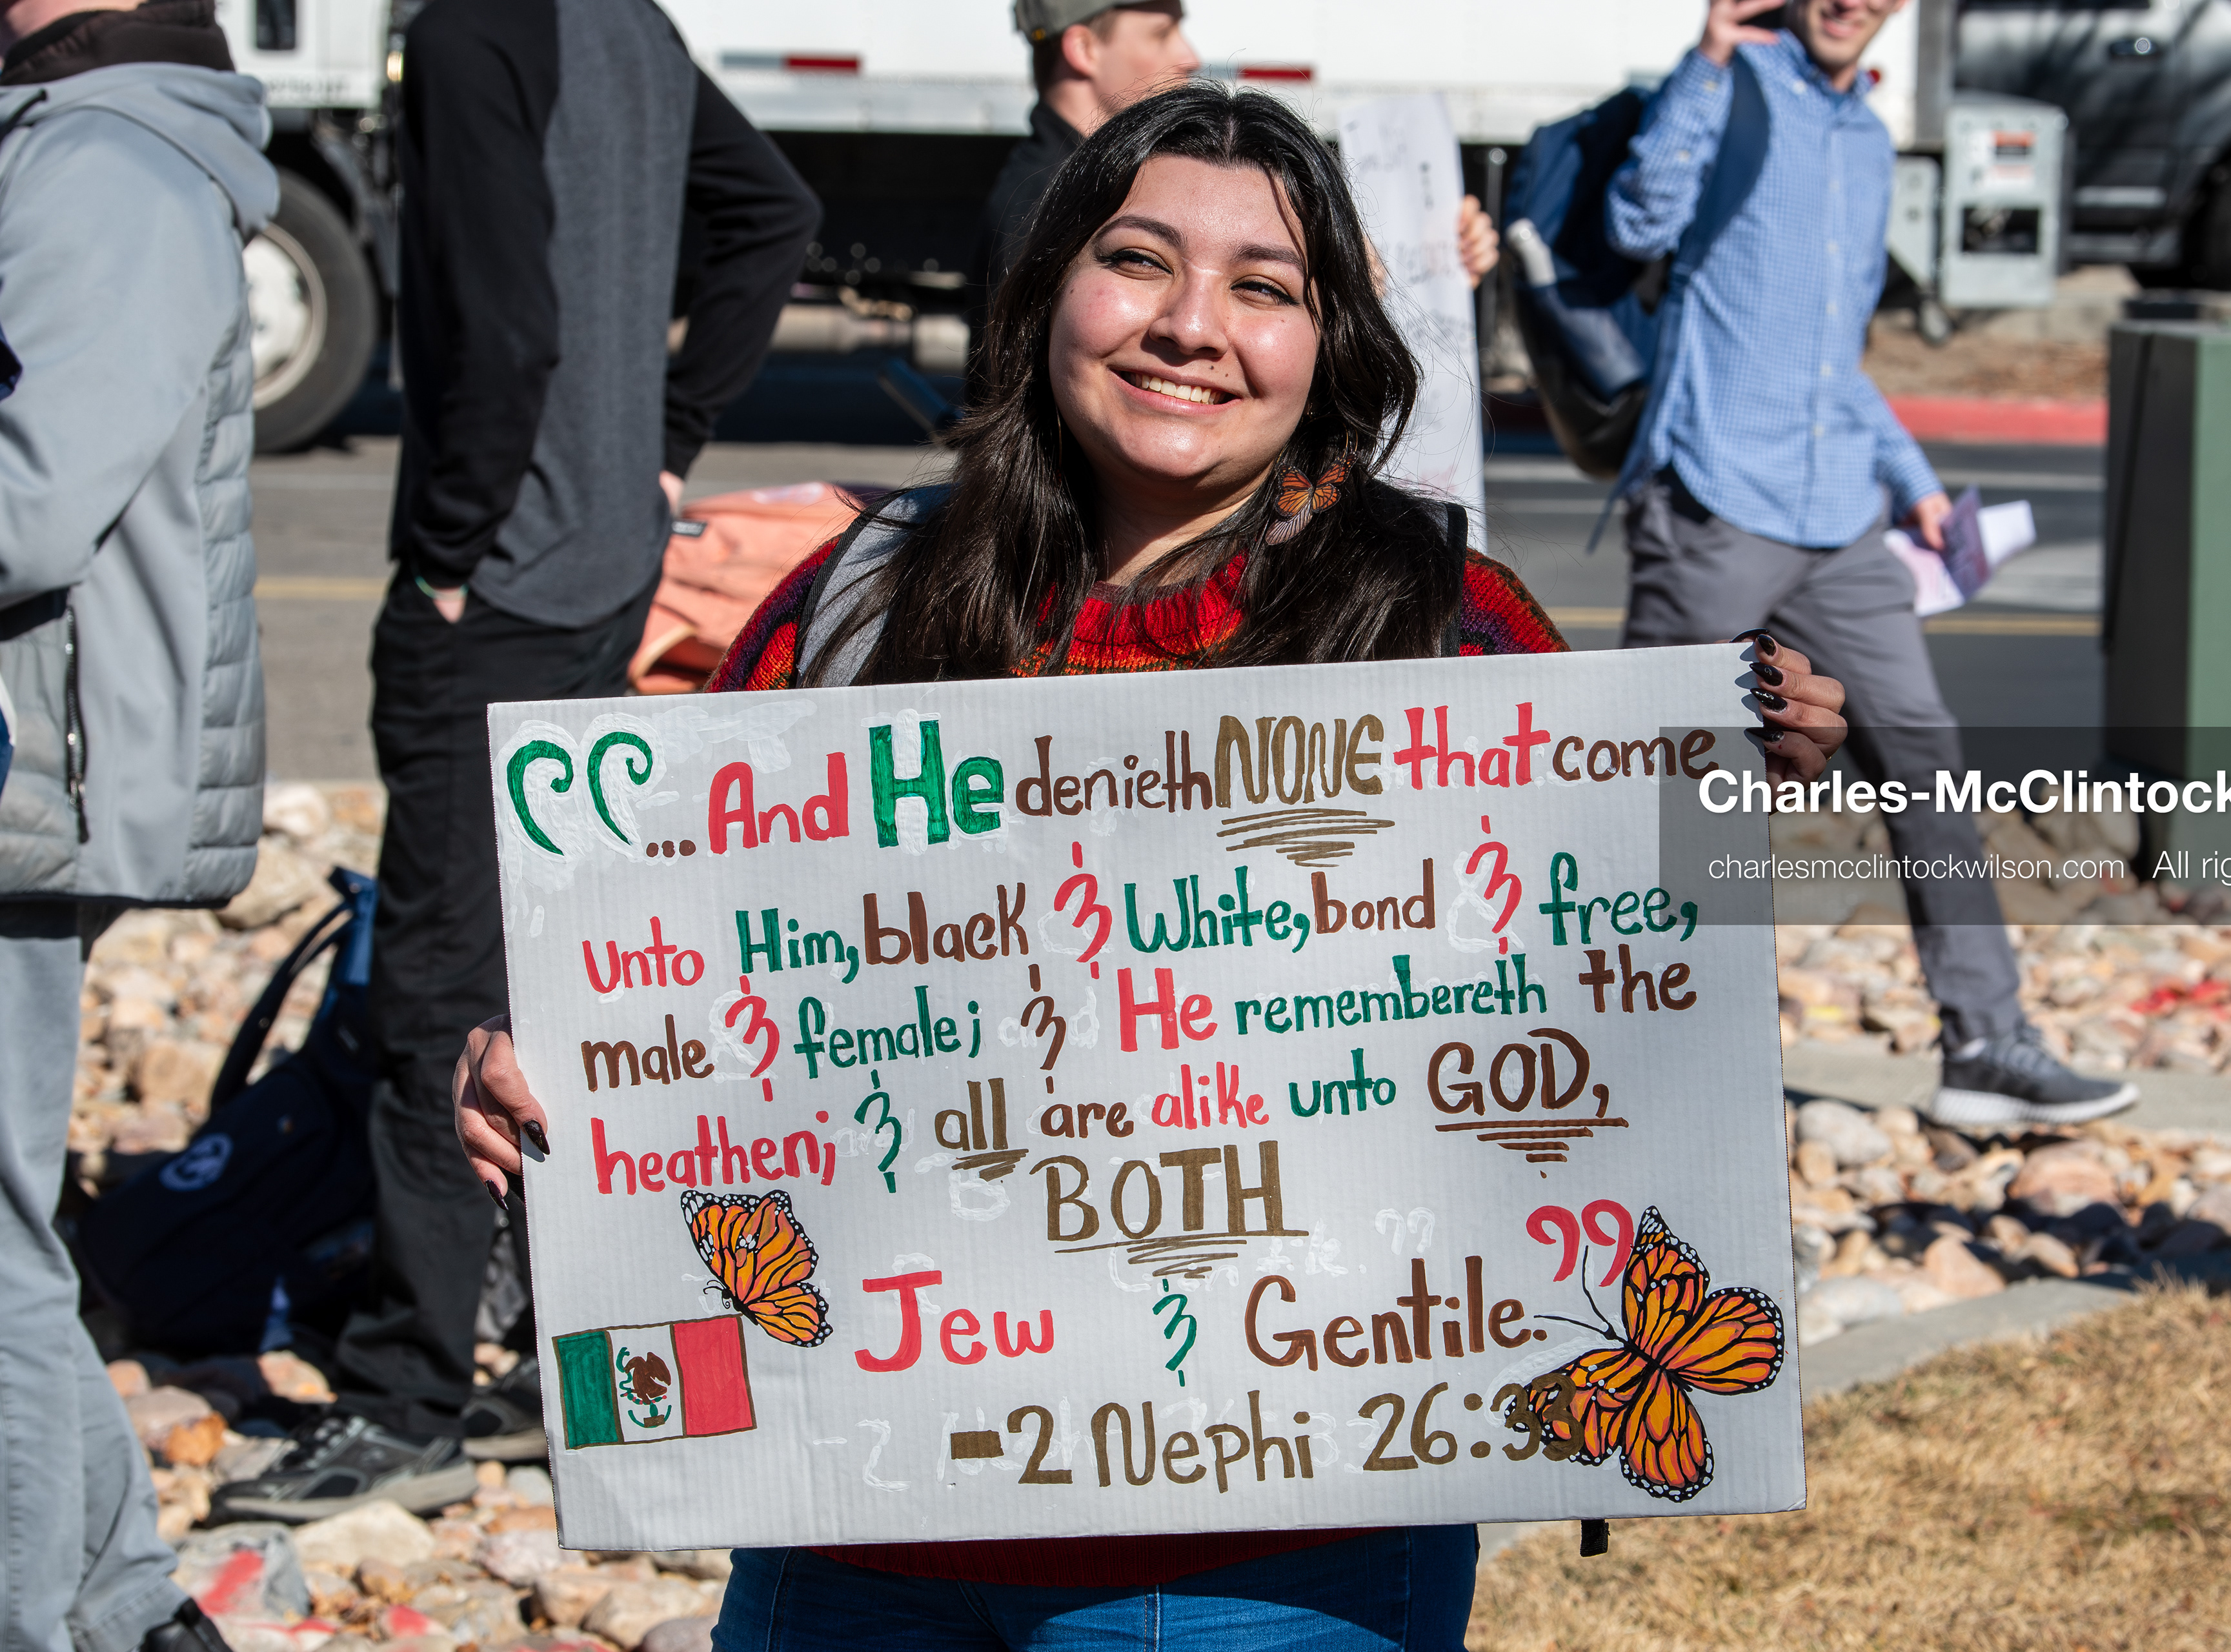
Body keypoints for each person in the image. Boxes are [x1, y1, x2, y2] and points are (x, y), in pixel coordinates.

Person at [445, 81, 1849, 1650]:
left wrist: (1721, 785)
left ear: (1328, 352)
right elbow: (672, 971)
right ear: (1045, 289)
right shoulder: (852, 604)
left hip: (1273, 1559)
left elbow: (1602, 986)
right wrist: (544, 1067)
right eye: (1138, 261)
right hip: (856, 1514)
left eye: (1265, 289)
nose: (1192, 325)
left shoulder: (1444, 631)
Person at [214, 0, 820, 1521]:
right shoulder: (629, 23)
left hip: (503, 583)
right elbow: (773, 216)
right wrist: (662, 437)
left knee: (435, 992)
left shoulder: (480, 29)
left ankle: (411, 1390)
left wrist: (445, 548)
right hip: (597, 563)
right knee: (550, 971)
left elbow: (503, 320)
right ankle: (563, 1360)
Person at [1604, 0, 2136, 1129]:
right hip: (1715, 502)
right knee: (1663, 791)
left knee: (1927, 759)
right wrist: (1705, 58)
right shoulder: (1732, 88)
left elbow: (1830, 354)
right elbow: (1640, 222)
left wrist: (1916, 480)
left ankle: (1986, 1044)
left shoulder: (1866, 139)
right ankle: (1627, 1064)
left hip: (1841, 516)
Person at [0, 1, 273, 1647]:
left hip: (32, 768)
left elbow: (31, 497)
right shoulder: (89, 142)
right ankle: (111, 1605)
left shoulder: (104, 161)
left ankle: (58, 1611)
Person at [969, 0, 1500, 376]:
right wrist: (1348, 292)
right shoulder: (1044, 204)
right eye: (1141, 259)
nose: (1189, 55)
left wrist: (1430, 275)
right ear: (1083, 48)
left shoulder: (1101, 184)